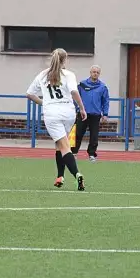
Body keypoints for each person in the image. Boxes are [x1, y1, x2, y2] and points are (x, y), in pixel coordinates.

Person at [26, 48, 86, 191]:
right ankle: (60, 176)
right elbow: (73, 91)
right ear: (65, 60)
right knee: (60, 144)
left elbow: (29, 94)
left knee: (64, 146)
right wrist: (82, 108)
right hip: (68, 113)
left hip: (52, 114)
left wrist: (43, 102)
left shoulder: (42, 75)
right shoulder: (69, 74)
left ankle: (77, 174)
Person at [72, 65, 110, 162]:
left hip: (95, 115)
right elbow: (75, 97)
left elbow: (105, 101)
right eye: (94, 72)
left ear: (99, 74)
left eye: (97, 72)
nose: (95, 74)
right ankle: (73, 153)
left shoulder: (103, 87)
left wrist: (105, 114)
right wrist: (77, 109)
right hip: (82, 114)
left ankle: (92, 154)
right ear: (90, 72)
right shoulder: (82, 85)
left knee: (94, 136)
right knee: (77, 134)